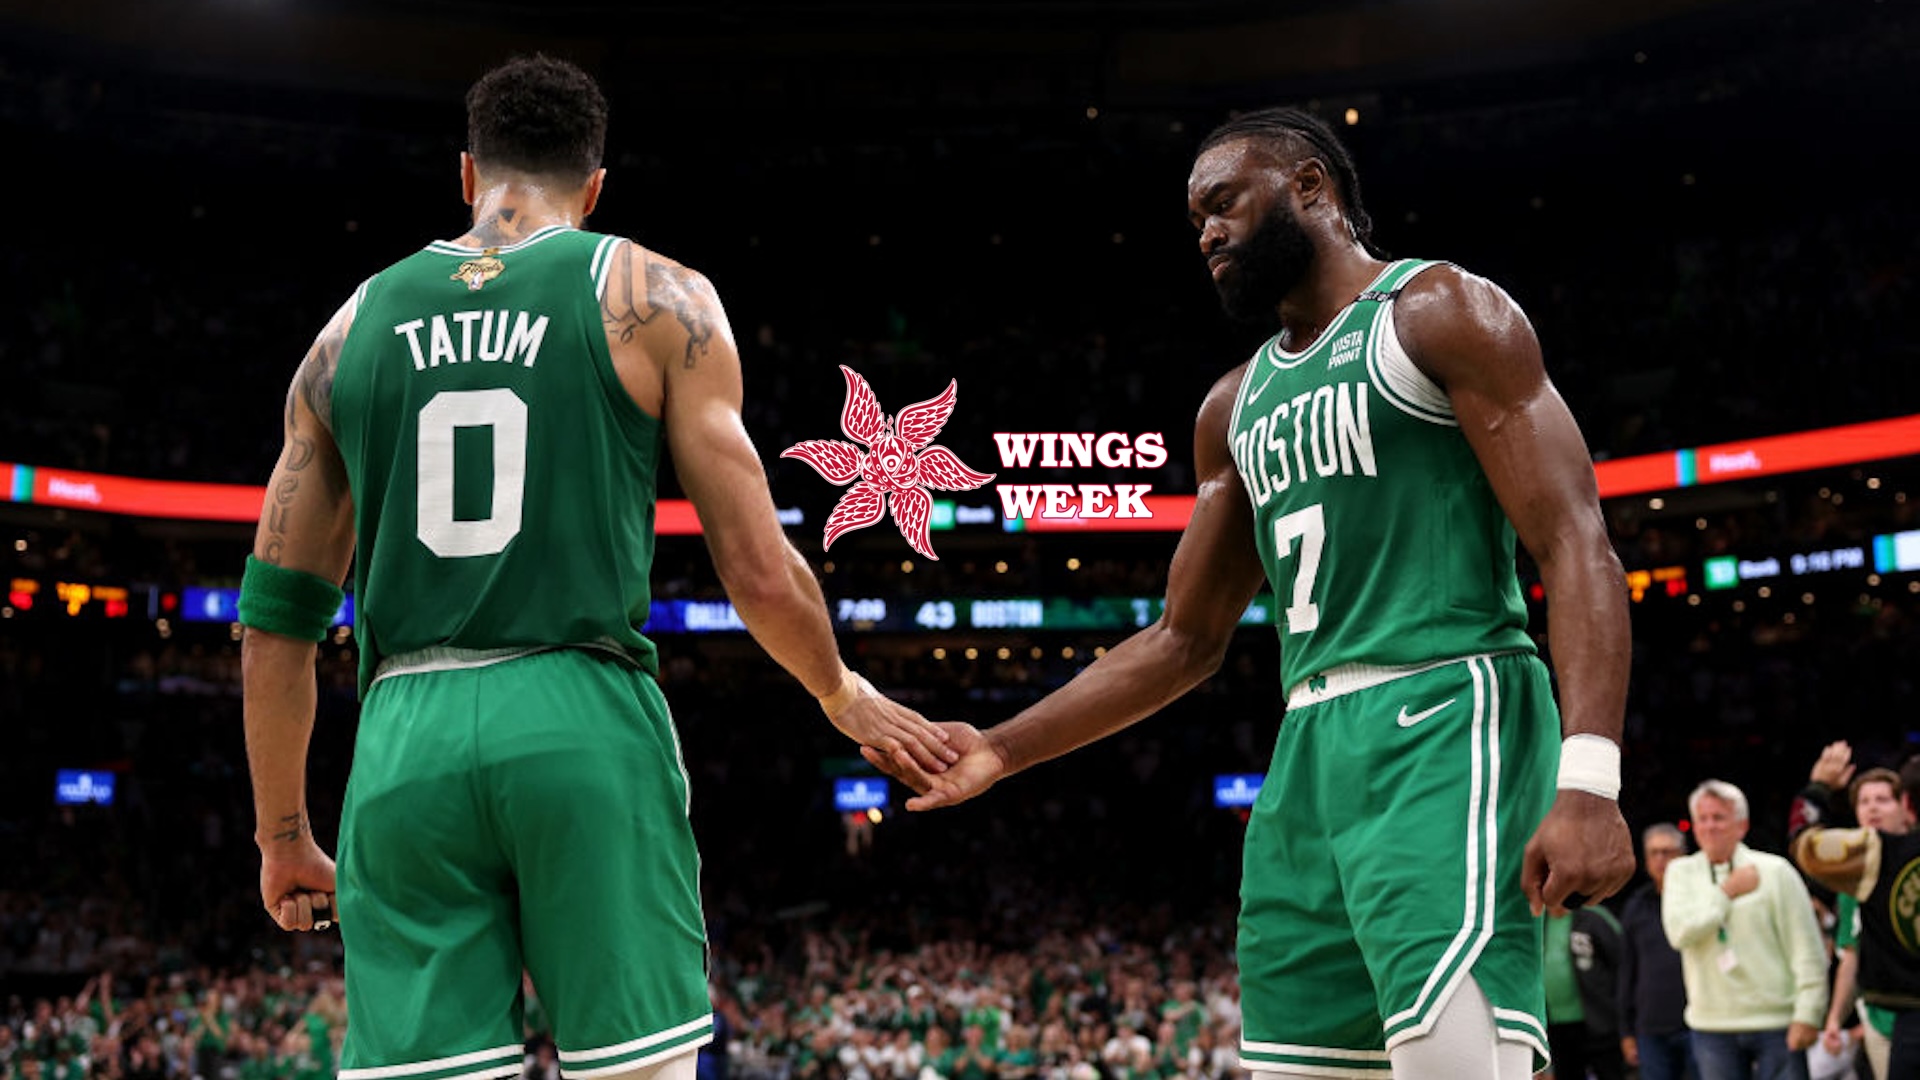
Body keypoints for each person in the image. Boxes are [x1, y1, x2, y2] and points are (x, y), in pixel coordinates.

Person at [866, 105, 1636, 1078]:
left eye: (1223, 203)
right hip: (1307, 752)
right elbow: (1182, 642)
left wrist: (1591, 781)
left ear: (1310, 186)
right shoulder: (1232, 408)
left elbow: (1576, 546)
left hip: (1446, 710)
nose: (1208, 234)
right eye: (1195, 222)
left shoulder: (1439, 310)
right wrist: (1000, 749)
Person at [237, 55, 953, 1080]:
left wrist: (282, 833)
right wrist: (840, 691)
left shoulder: (345, 332)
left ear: (466, 174)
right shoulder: (659, 296)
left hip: (403, 740)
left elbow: (276, 624)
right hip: (580, 709)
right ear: (598, 184)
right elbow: (755, 568)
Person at [1663, 780, 1827, 1080]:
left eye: (1719, 818)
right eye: (1703, 818)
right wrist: (1726, 893)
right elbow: (1679, 933)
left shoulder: (1775, 871)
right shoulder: (1679, 872)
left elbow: (1807, 947)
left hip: (1777, 1023)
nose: (1709, 826)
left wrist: (1809, 1013)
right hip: (1711, 1026)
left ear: (1742, 825)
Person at [1790, 745, 1920, 1079]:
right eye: (1864, 801)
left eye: (1883, 799)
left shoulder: (1875, 856)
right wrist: (1834, 1017)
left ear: (1906, 805)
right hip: (1882, 1015)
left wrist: (1817, 787)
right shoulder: (1856, 874)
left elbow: (1804, 843)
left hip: (1906, 1013)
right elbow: (1851, 954)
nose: (1873, 808)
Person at [1617, 823, 1696, 1080]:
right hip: (1650, 1028)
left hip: (1699, 1022)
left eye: (1668, 852)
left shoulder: (1702, 899)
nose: (1660, 859)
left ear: (1683, 855)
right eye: (1654, 853)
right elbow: (1627, 970)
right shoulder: (1635, 906)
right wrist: (1626, 1032)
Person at [1543, 902, 1626, 1080]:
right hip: (1556, 1028)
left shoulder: (1594, 916)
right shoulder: (1538, 922)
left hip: (1599, 1023)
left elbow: (1624, 962)